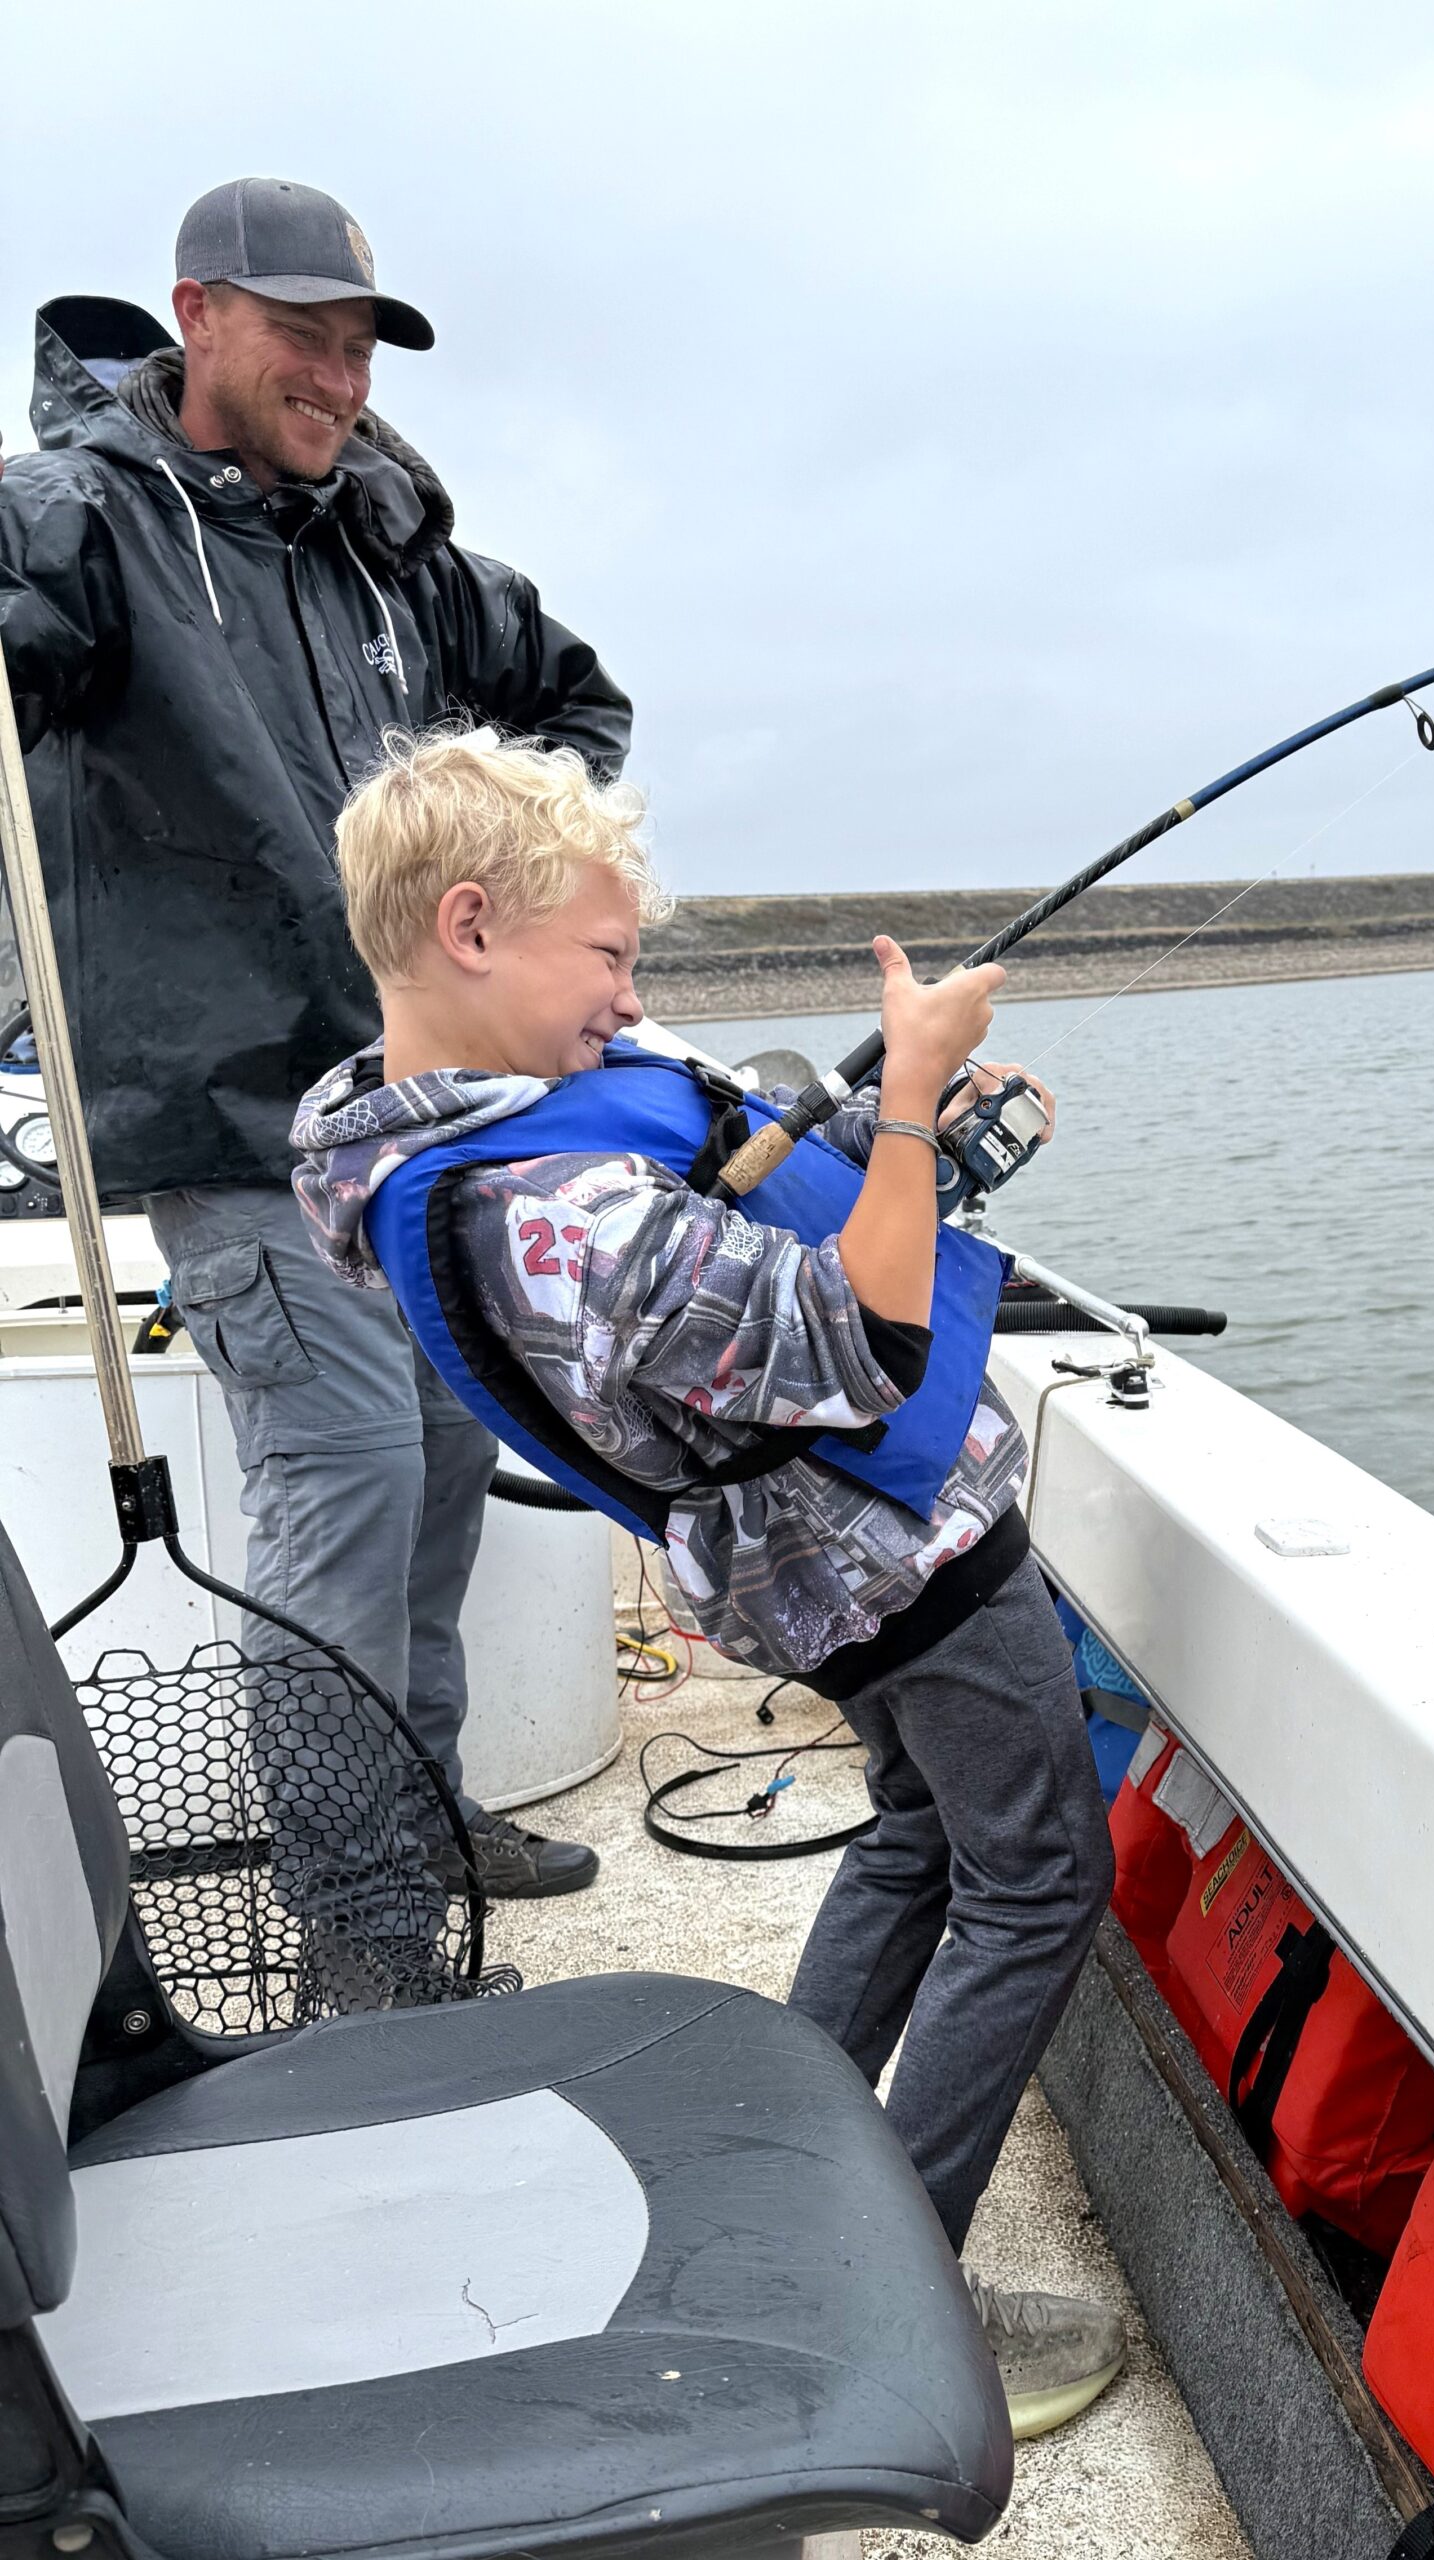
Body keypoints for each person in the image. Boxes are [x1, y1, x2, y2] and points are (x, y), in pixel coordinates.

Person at [289, 727, 1124, 2440]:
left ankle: (783, 2175)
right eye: (605, 958)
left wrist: (821, 1139)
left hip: (801, 1574)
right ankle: (887, 2302)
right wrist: (905, 1105)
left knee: (914, 1833)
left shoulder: (393, 1128)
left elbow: (677, 1221)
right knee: (1036, 1881)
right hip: (896, 1562)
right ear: (467, 927)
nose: (627, 998)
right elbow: (858, 1341)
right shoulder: (548, 1209)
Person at [0, 180, 625, 1911]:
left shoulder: (393, 551)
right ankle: (362, 1919)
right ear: (195, 315)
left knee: (437, 1471)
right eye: (301, 337)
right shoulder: (76, 521)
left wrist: (503, 878)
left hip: (429, 1118)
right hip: (238, 1118)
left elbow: (573, 702)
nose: (335, 378)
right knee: (345, 1486)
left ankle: (412, 1817)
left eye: (356, 346)